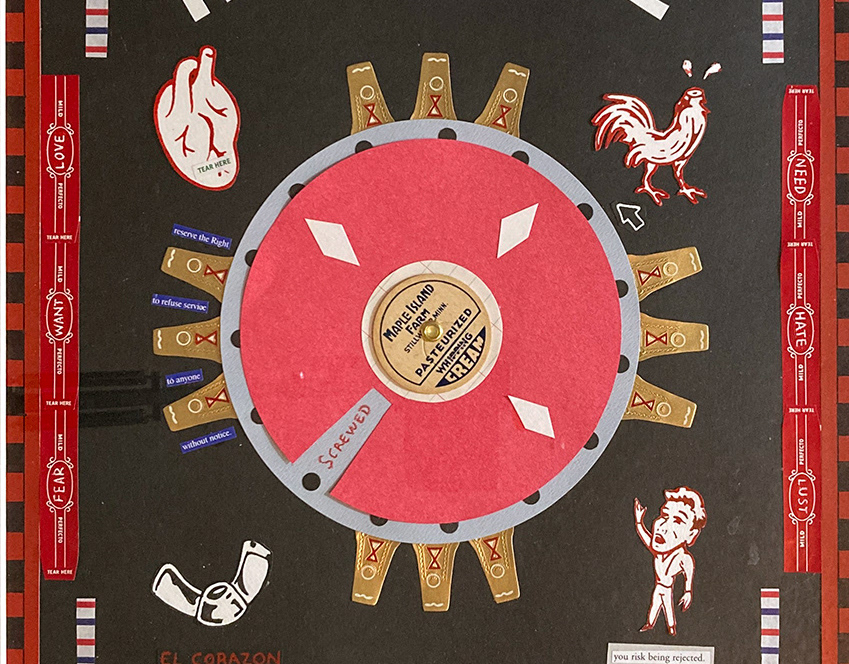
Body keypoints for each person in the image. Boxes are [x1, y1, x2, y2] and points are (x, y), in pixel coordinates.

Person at [633, 487, 707, 636]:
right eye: (664, 515)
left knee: (667, 606)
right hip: (659, 587)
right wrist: (639, 521)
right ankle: (650, 624)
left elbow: (689, 573)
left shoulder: (683, 558)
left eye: (677, 521)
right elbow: (646, 538)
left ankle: (671, 627)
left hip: (667, 588)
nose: (663, 527)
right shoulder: (658, 551)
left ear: (691, 535)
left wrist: (688, 592)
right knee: (655, 604)